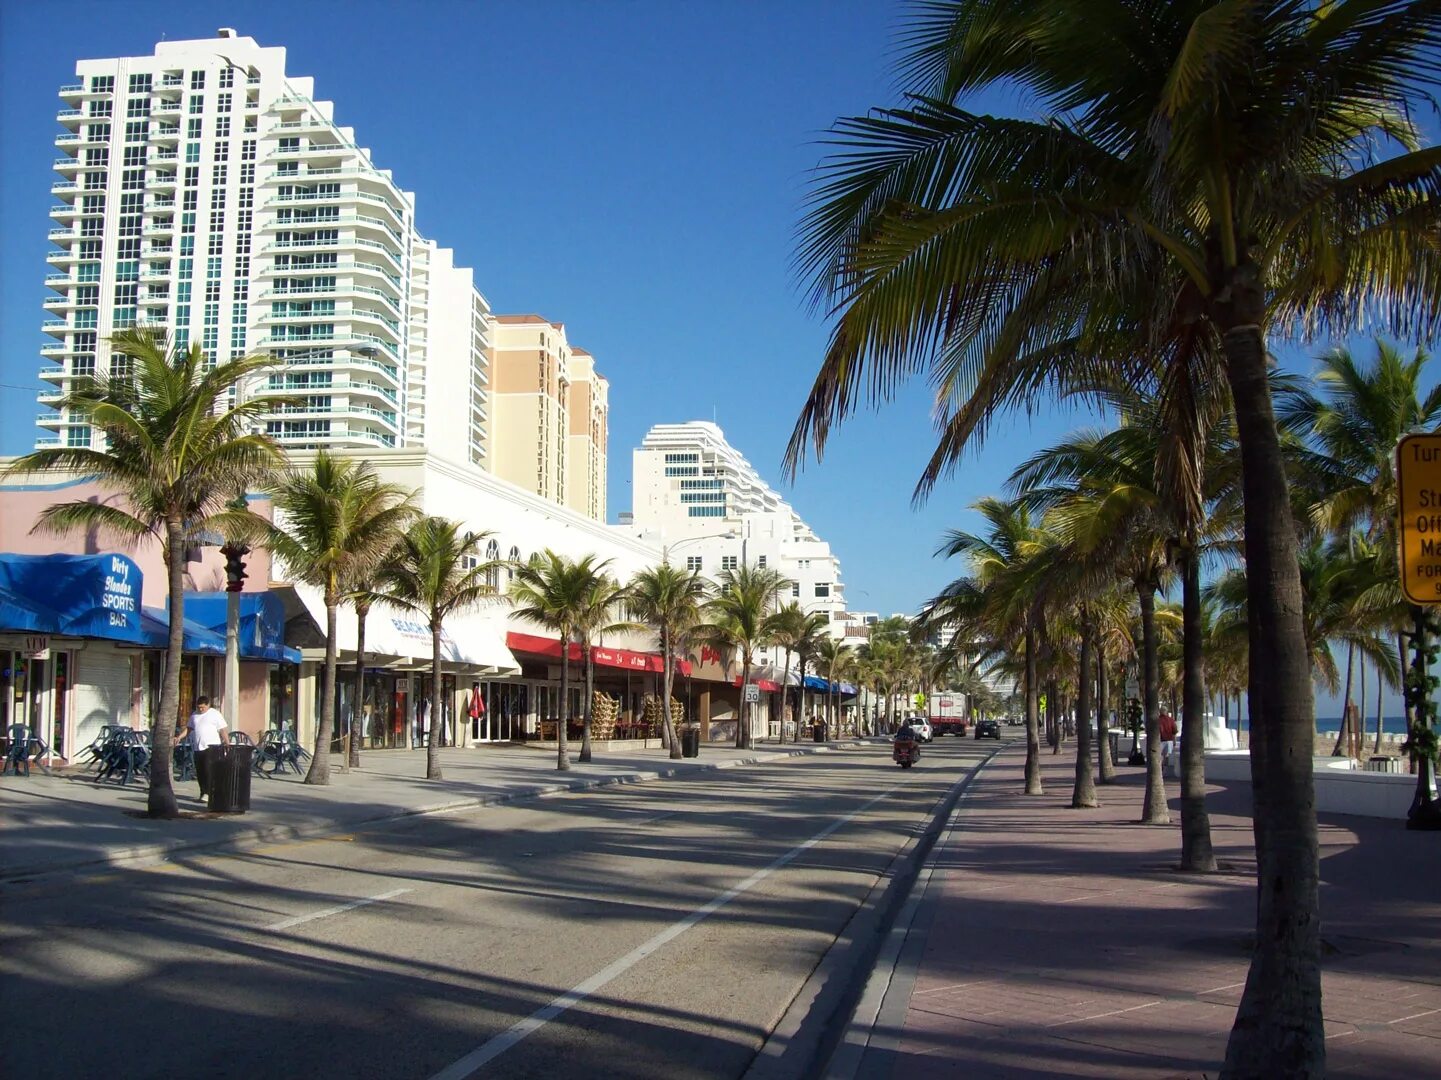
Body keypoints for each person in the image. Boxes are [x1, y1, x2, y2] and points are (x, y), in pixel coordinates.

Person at [188, 696, 230, 799]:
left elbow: (223, 729)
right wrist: (179, 737)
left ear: (208, 705)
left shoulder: (215, 714)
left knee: (208, 770)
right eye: (199, 707)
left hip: (211, 747)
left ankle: (210, 793)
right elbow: (189, 728)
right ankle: (203, 792)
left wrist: (227, 742)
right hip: (198, 747)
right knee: (200, 772)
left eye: (202, 707)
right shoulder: (194, 715)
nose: (201, 709)